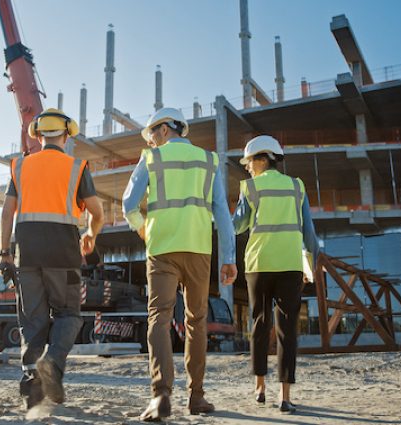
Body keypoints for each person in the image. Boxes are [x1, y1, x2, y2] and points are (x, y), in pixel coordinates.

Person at [122, 107, 237, 422]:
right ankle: (197, 397)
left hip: (161, 249)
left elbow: (128, 203)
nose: (153, 142)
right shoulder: (209, 160)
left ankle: (160, 395)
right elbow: (222, 214)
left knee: (158, 319)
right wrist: (229, 258)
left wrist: (143, 228)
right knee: (196, 322)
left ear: (161, 130)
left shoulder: (151, 158)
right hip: (199, 249)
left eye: (152, 136)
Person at [0, 108, 105, 409]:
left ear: (38, 134)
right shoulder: (77, 167)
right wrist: (91, 235)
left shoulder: (20, 166)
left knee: (33, 322)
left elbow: (7, 212)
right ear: (67, 134)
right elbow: (98, 213)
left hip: (27, 255)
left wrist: (4, 252)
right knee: (68, 315)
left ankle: (32, 390)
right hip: (64, 254)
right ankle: (53, 362)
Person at [232, 135, 320, 414]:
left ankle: (259, 388)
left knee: (259, 323)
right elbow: (309, 233)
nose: (247, 167)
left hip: (258, 264)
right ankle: (285, 396)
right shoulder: (297, 186)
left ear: (262, 159)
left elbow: (237, 226)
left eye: (249, 162)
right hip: (290, 264)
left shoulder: (249, 188)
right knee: (287, 330)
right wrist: (309, 266)